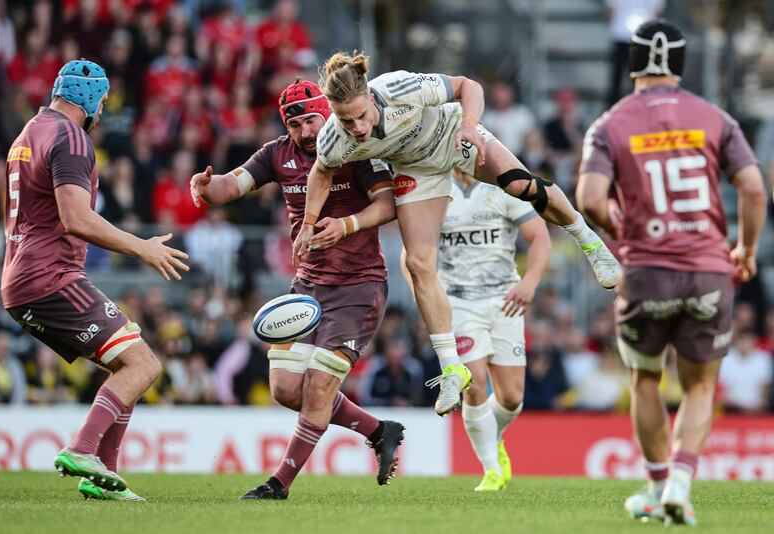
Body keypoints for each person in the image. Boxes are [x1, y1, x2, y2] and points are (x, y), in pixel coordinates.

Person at [294, 51, 619, 417]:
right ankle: (452, 367)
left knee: (521, 185)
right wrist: (307, 224)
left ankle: (589, 240)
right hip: (417, 170)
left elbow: (468, 85)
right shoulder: (334, 137)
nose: (357, 127)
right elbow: (320, 173)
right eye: (345, 119)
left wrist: (469, 123)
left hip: (453, 135)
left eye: (361, 115)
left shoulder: (399, 87)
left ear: (370, 97)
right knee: (417, 263)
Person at [577, 20, 766, 526]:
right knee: (701, 386)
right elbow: (752, 189)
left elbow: (590, 198)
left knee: (645, 378)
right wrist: (745, 249)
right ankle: (682, 482)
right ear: (680, 66)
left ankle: (659, 488)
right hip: (708, 270)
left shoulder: (610, 124)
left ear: (633, 63)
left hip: (646, 272)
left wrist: (621, 227)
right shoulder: (714, 118)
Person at [190, 79, 405, 501]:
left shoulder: (354, 147)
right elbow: (233, 184)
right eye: (295, 124)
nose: (306, 132)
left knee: (320, 387)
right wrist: (206, 189)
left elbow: (387, 205)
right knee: (287, 389)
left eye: (311, 120)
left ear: (324, 114)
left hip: (358, 287)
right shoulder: (276, 154)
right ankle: (380, 431)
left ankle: (278, 485)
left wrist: (345, 224)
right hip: (307, 286)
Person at [1, 60, 189, 502]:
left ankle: (105, 476)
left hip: (25, 277)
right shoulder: (72, 137)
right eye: (102, 99)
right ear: (88, 97)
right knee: (144, 366)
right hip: (49, 276)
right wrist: (142, 247)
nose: (103, 109)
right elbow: (76, 218)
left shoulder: (29, 132)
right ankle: (85, 450)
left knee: (126, 367)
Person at [404, 169, 550, 490]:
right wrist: (425, 299)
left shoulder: (505, 188)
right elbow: (410, 253)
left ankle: (492, 436)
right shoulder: (437, 190)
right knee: (474, 383)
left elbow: (539, 235)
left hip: (505, 300)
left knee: (512, 397)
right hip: (457, 303)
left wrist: (529, 283)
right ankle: (491, 470)